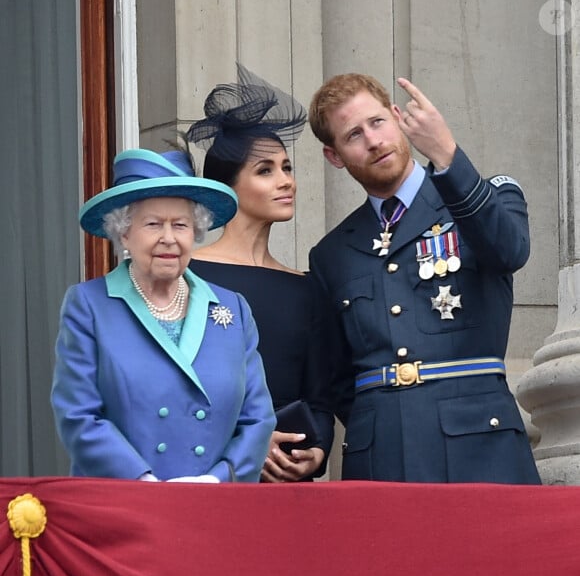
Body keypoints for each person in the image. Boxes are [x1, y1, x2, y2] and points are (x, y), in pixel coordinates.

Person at [307, 72, 541, 484]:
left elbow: (509, 251)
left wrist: (447, 156)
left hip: (480, 450)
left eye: (377, 122)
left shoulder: (483, 198)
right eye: (354, 135)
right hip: (381, 457)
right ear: (335, 156)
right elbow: (338, 375)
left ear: (398, 117)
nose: (374, 140)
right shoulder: (331, 254)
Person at [51, 146, 276, 483]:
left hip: (214, 504)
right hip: (126, 504)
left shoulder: (233, 309)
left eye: (181, 225)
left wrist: (216, 480)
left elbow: (258, 419)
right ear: (124, 232)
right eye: (153, 224)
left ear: (195, 232)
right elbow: (79, 415)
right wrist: (144, 483)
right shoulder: (89, 306)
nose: (169, 239)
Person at [186, 64, 335, 482]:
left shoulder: (307, 288)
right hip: (209, 481)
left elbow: (321, 398)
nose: (285, 181)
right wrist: (245, 441)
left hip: (290, 490)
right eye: (265, 170)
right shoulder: (187, 275)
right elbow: (168, 392)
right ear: (227, 188)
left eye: (287, 168)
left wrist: (318, 450)